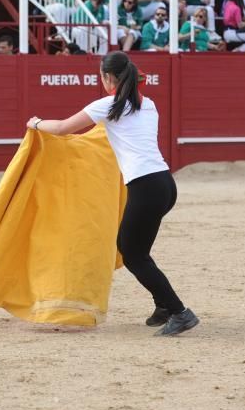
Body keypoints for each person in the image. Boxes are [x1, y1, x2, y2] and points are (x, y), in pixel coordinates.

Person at [25, 52, 199, 336]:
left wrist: (35, 123)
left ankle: (179, 311)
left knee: (133, 254)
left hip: (145, 187)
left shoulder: (108, 105)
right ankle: (165, 306)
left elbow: (61, 128)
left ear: (108, 78)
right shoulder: (149, 104)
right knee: (139, 251)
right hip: (165, 184)